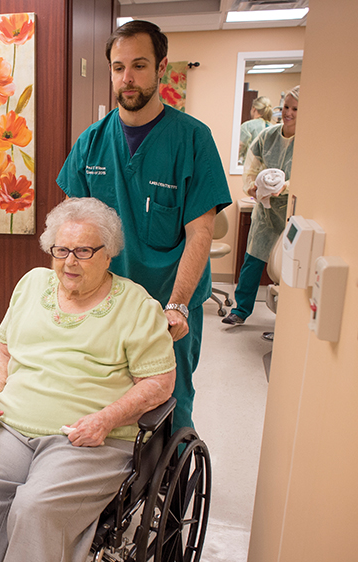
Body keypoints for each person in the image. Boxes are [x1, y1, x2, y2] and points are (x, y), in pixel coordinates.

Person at [0, 197, 176, 562]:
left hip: (86, 441)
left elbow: (159, 384)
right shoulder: (32, 284)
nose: (69, 261)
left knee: (35, 506)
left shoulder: (137, 306)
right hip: (10, 429)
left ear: (109, 254)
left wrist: (105, 420)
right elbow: (2, 349)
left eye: (84, 251)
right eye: (61, 249)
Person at [57, 20, 231, 432]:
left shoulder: (192, 140)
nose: (127, 78)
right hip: (107, 301)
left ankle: (174, 472)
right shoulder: (91, 143)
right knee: (106, 395)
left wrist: (178, 304)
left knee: (170, 399)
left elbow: (200, 233)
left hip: (166, 306)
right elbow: (73, 227)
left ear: (161, 68)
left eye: (138, 65)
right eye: (118, 68)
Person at [223, 86, 299, 327]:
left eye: (295, 109)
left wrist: (285, 186)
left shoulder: (308, 143)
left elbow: (308, 176)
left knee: (289, 268)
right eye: (286, 107)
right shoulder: (267, 136)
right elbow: (251, 167)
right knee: (253, 260)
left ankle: (288, 317)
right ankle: (241, 310)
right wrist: (253, 188)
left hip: (292, 213)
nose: (288, 113)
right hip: (266, 211)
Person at [238, 96, 273, 164]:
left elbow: (240, 145)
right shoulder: (272, 128)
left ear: (254, 109)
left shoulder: (248, 126)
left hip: (251, 165)